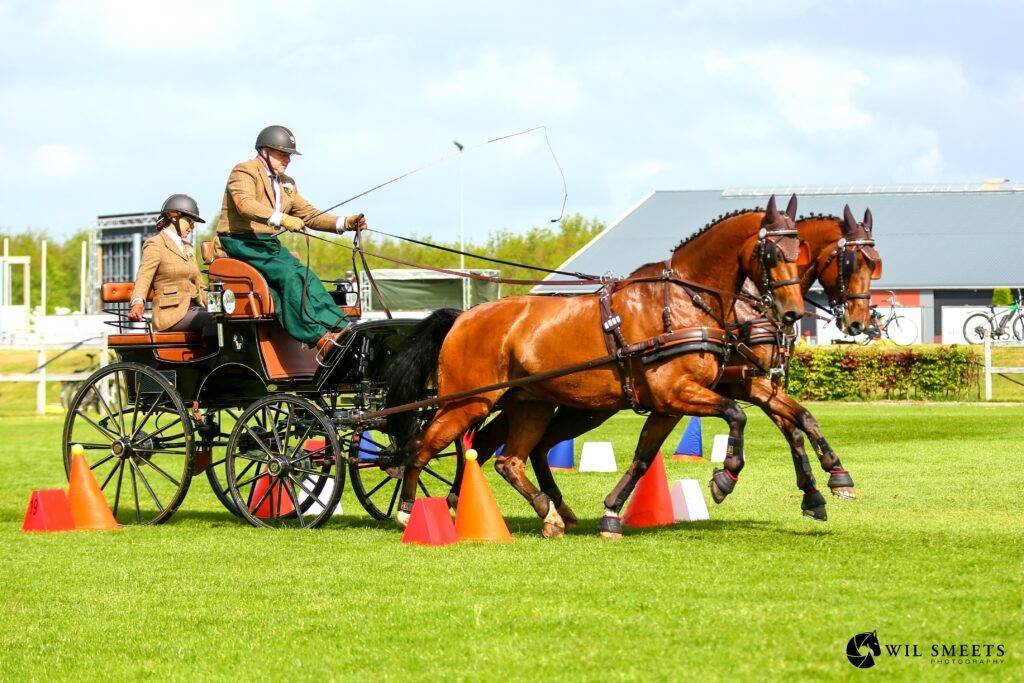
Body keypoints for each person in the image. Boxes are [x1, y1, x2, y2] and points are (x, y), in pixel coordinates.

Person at [217, 124, 366, 362]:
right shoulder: (244, 171)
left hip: (267, 245)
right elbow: (245, 204)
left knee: (307, 276)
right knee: (288, 275)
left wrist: (344, 222)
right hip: (240, 242)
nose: (288, 160)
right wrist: (282, 218)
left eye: (289, 155)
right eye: (283, 154)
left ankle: (341, 327)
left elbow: (310, 215)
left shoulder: (287, 184)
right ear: (265, 151)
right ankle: (318, 337)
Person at [129, 194, 215, 340]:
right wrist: (137, 302)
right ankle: (215, 355)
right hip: (171, 314)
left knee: (225, 318)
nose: (192, 227)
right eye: (189, 221)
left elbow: (200, 286)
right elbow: (144, 277)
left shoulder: (187, 247)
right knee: (212, 320)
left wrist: (219, 306)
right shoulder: (155, 244)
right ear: (173, 216)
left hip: (195, 309)